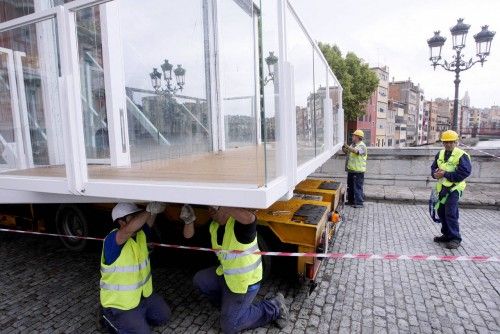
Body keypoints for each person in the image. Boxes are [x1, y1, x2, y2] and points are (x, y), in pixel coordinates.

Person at [188, 206, 289, 333]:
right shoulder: (213, 226)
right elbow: (190, 237)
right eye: (209, 208)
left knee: (230, 326)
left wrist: (223, 203)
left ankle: (274, 306)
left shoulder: (239, 226)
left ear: (227, 210)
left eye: (215, 208)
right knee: (200, 280)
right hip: (226, 276)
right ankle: (231, 308)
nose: (211, 210)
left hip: (244, 283)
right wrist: (189, 221)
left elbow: (250, 218)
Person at [100, 202, 171, 333]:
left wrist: (156, 206)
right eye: (134, 216)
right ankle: (108, 318)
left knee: (164, 316)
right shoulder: (112, 240)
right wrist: (149, 211)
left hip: (142, 296)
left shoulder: (141, 234)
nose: (139, 218)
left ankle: (137, 318)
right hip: (121, 305)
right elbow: (128, 229)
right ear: (121, 222)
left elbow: (148, 220)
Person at [431, 130, 471, 249]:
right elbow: (434, 167)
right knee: (441, 211)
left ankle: (455, 238)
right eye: (446, 142)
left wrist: (445, 174)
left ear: (456, 142)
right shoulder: (440, 154)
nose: (448, 144)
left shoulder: (461, 155)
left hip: (454, 188)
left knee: (450, 212)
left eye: (451, 142)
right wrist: (434, 174)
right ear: (443, 143)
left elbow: (464, 172)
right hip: (442, 188)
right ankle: (447, 234)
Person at [342, 129, 368, 208]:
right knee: (350, 187)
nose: (352, 136)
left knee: (357, 187)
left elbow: (356, 152)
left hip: (358, 171)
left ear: (358, 137)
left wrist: (347, 147)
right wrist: (344, 148)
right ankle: (350, 201)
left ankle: (359, 203)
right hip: (351, 170)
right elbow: (348, 152)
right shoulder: (353, 145)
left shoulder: (362, 146)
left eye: (354, 135)